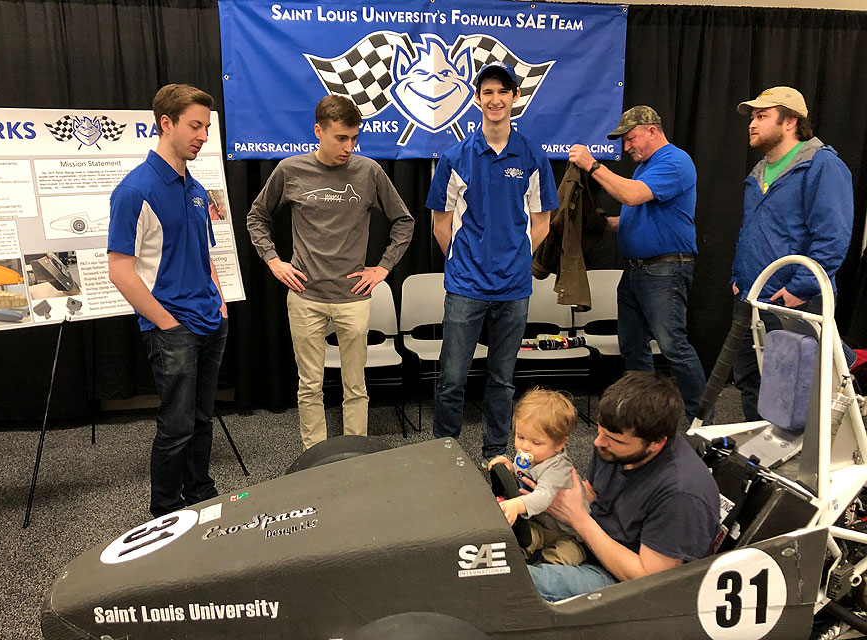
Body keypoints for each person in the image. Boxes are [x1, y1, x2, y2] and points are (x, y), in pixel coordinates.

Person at [246, 95, 414, 450]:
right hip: (306, 297)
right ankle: (315, 457)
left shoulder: (368, 172)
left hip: (352, 298)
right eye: (341, 138)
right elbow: (257, 216)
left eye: (354, 138)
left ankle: (356, 455)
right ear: (318, 131)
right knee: (310, 386)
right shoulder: (291, 170)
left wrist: (383, 268)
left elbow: (404, 221)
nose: (349, 147)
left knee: (356, 387)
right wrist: (274, 261)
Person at [107, 84, 229, 518]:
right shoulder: (135, 190)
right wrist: (166, 323)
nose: (203, 135)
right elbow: (119, 270)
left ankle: (200, 491)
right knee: (176, 428)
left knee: (201, 419)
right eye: (195, 126)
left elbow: (205, 251)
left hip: (210, 322)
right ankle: (164, 511)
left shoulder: (195, 188)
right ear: (166, 123)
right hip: (173, 329)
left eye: (206, 127)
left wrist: (219, 300)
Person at [426, 62, 556, 461]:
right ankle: (444, 453)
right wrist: (467, 262)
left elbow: (542, 223)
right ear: (477, 99)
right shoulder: (455, 158)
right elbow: (440, 225)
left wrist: (514, 260)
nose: (495, 99)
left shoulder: (532, 156)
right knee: (451, 378)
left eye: (503, 91)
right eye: (487, 92)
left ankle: (494, 452)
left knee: (502, 380)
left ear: (515, 97)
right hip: (465, 287)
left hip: (513, 289)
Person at [526, 371, 719, 601]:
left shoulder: (680, 494)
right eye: (600, 431)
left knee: (518, 584)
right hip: (590, 541)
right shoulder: (613, 448)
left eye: (616, 440)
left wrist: (579, 519)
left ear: (656, 444)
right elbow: (594, 493)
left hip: (626, 584)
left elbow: (651, 580)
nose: (599, 443)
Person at [568, 107, 705, 422]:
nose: (627, 146)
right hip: (637, 271)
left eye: (631, 138)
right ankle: (643, 415)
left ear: (653, 130)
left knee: (673, 346)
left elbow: (631, 197)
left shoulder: (675, 161)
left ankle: (702, 417)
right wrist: (599, 224)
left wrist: (591, 165)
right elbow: (636, 214)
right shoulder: (645, 167)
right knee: (632, 346)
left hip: (664, 270)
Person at [730, 86, 854, 420]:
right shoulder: (759, 172)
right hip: (751, 298)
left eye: (762, 116)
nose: (752, 124)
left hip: (793, 302)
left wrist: (799, 289)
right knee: (752, 384)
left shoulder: (822, 166)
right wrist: (738, 279)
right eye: (753, 117)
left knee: (799, 394)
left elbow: (832, 236)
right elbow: (752, 232)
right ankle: (760, 463)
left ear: (791, 121)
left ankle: (801, 467)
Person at [487, 387, 587, 565]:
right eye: (520, 436)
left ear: (559, 444)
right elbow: (523, 476)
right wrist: (510, 468)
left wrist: (517, 504)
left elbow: (543, 497)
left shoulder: (557, 468)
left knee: (564, 557)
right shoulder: (531, 455)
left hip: (567, 534)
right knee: (511, 542)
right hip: (539, 524)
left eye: (536, 442)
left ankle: (542, 569)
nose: (525, 446)